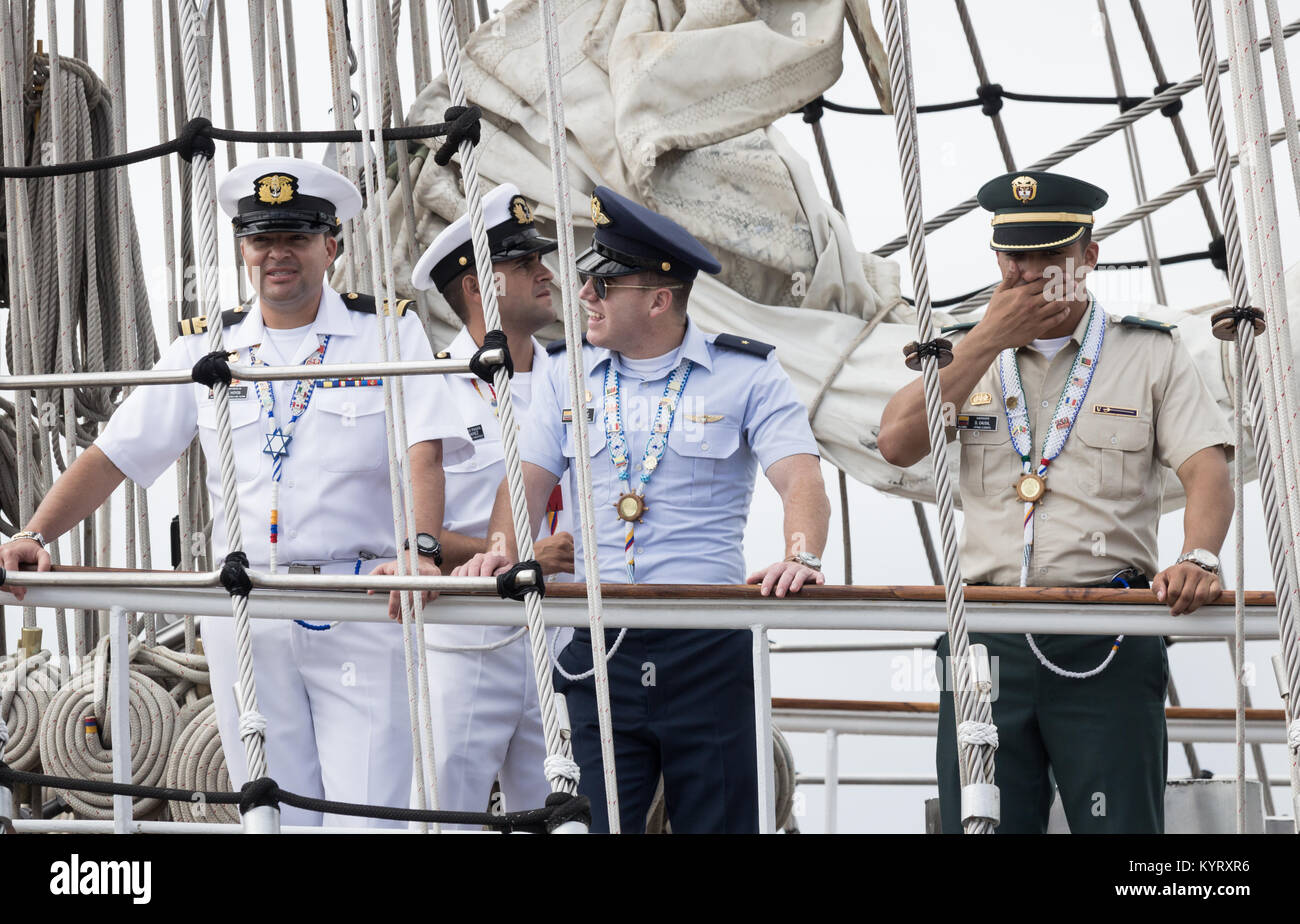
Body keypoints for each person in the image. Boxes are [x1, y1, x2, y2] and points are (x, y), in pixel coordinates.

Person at [0, 156, 471, 828]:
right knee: (267, 814)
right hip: (245, 612)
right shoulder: (209, 347)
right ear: (244, 250)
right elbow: (114, 455)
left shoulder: (386, 332)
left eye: (297, 238)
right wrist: (34, 534)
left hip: (359, 605)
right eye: (261, 240)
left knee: (367, 814)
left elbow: (423, 451)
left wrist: (421, 551)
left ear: (330, 246)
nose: (278, 255)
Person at [455, 186, 831, 833]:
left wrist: (801, 556)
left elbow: (800, 477)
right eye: (586, 283)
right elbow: (524, 483)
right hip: (601, 642)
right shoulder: (565, 377)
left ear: (659, 299)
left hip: (707, 641)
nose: (584, 297)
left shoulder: (747, 374)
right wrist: (498, 549)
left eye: (605, 286)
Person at [877, 170, 1235, 834]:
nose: (1032, 271)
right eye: (1017, 255)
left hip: (1108, 629)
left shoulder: (1149, 350)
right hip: (984, 635)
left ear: (1090, 256)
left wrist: (1199, 556)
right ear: (997, 258)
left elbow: (1206, 469)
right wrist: (987, 338)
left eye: (1052, 254)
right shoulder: (960, 353)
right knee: (978, 828)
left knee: (1121, 831)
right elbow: (897, 443)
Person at [408, 182, 574, 817]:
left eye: (541, 258)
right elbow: (415, 536)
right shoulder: (428, 388)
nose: (545, 272)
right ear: (478, 286)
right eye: (524, 262)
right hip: (467, 638)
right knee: (446, 816)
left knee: (562, 814)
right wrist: (518, 556)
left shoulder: (577, 381)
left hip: (566, 639)